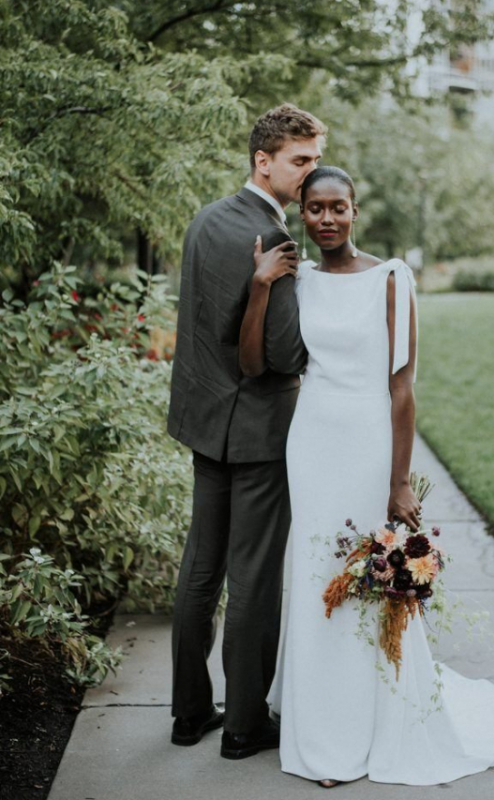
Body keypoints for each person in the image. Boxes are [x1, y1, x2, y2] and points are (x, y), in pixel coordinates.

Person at [239, 166, 494, 787]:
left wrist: (400, 481)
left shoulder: (391, 277)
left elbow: (402, 389)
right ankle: (319, 733)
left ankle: (366, 727)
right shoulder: (299, 279)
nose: (326, 219)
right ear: (301, 212)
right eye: (315, 208)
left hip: (369, 442)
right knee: (318, 577)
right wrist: (261, 286)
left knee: (368, 581)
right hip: (312, 441)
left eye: (338, 208)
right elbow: (256, 362)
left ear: (354, 210)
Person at [167, 104, 327, 759]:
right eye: (301, 160)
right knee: (254, 579)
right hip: (258, 432)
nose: (311, 173)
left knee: (201, 573)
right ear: (264, 161)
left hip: (205, 424)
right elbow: (285, 354)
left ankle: (188, 715)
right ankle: (243, 727)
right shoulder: (273, 239)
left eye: (316, 159)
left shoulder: (207, 219)